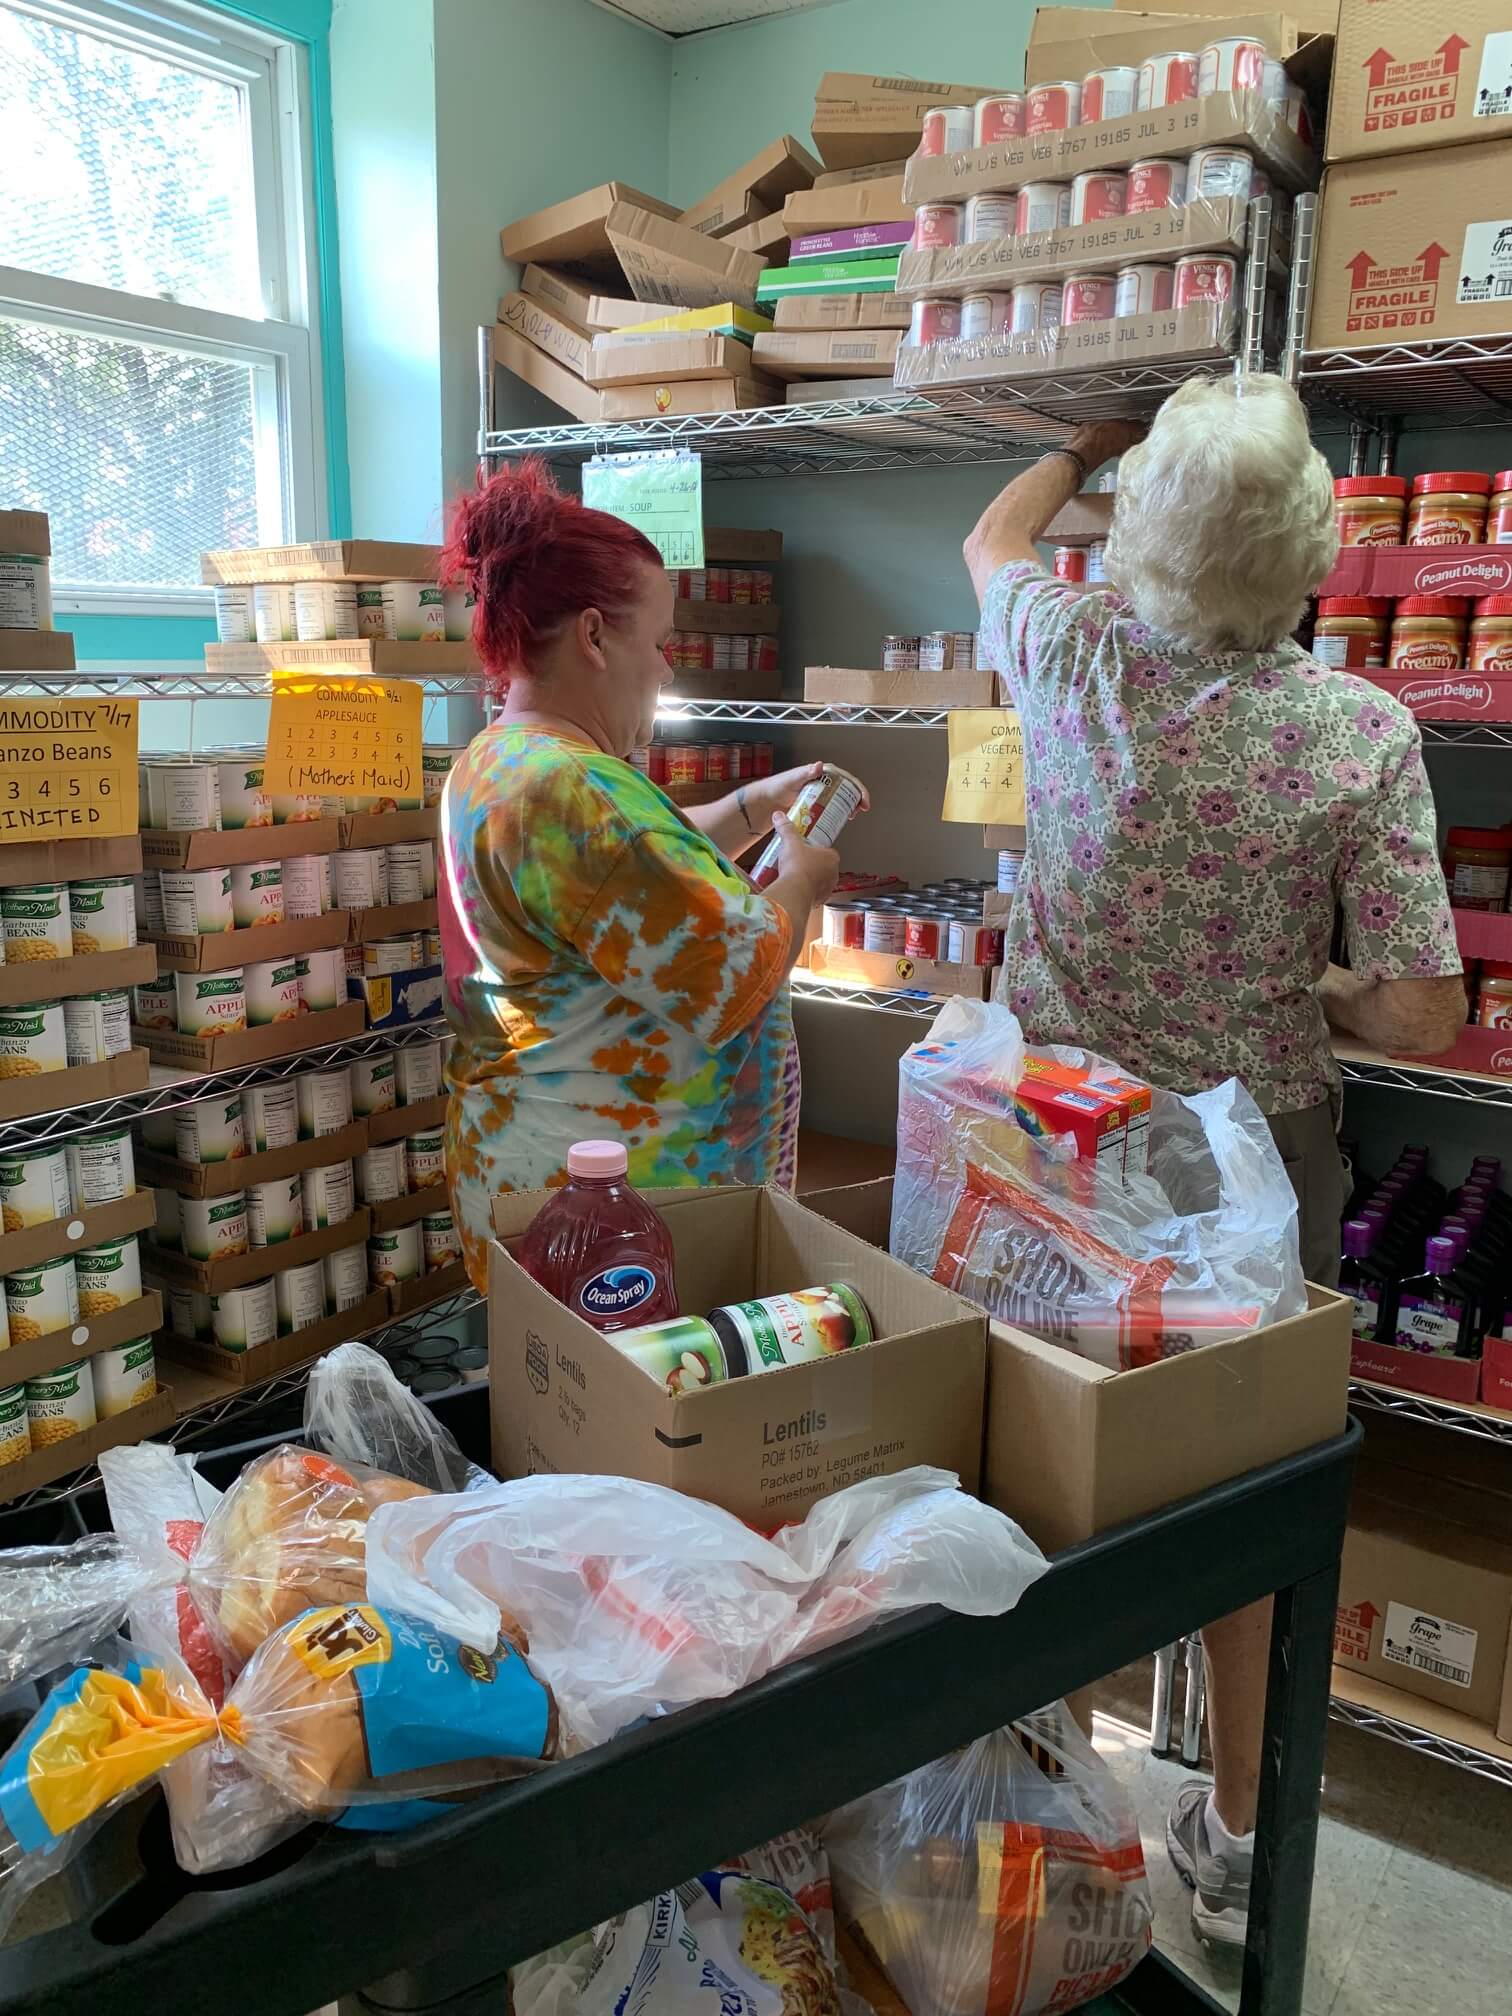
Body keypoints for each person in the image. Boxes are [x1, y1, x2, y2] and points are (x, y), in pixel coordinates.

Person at [963, 375, 1465, 1950]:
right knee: (1248, 1503)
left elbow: (987, 536)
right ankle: (1242, 1845)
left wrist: (1079, 446)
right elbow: (1430, 1007)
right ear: (1313, 548)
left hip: (1052, 1152)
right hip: (1241, 1173)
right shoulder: (1358, 728)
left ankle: (1022, 1814)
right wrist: (1315, 981)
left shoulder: (1064, 647)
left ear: (1149, 543)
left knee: (1038, 1466)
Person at [436, 459, 846, 1291]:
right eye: (656, 641)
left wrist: (747, 807)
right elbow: (737, 975)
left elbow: (617, 882)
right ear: (592, 635)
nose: (665, 667)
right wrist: (804, 878)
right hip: (604, 1219)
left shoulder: (499, 761)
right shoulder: (576, 788)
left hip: (528, 1175)